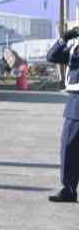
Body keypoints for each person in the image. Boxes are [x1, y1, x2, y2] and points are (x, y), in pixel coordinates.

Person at [47, 23, 79, 202]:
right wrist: (64, 39)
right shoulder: (74, 51)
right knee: (68, 150)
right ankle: (69, 189)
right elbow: (51, 56)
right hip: (75, 105)